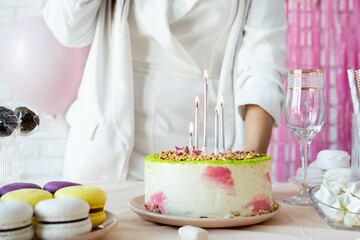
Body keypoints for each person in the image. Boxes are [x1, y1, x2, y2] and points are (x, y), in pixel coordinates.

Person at [43, 0, 287, 181]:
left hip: (210, 151)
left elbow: (262, 66)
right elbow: (68, 30)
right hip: (109, 149)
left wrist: (249, 172)